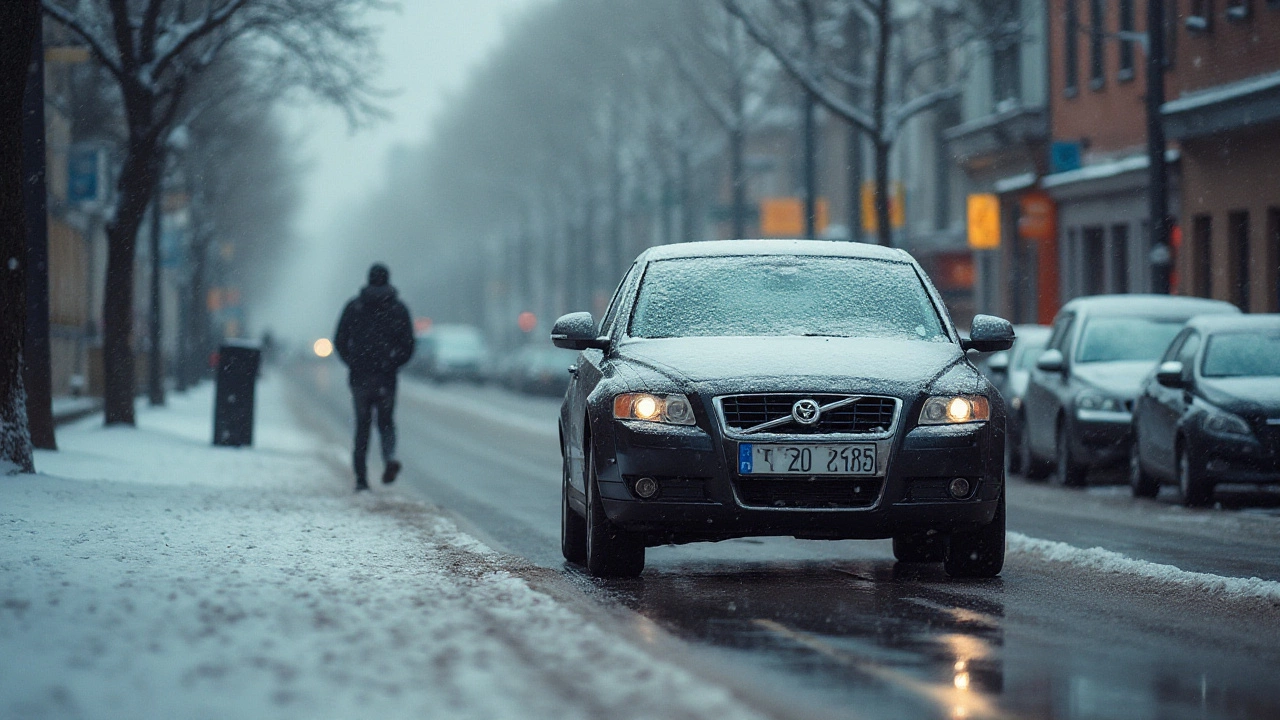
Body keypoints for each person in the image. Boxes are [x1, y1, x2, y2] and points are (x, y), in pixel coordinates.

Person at [334, 263, 415, 491]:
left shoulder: (355, 306)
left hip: (360, 378)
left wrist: (353, 361)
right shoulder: (398, 309)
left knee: (362, 427)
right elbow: (408, 345)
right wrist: (392, 362)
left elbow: (339, 339)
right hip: (386, 378)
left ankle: (361, 479)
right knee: (386, 422)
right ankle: (389, 458)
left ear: (368, 279)